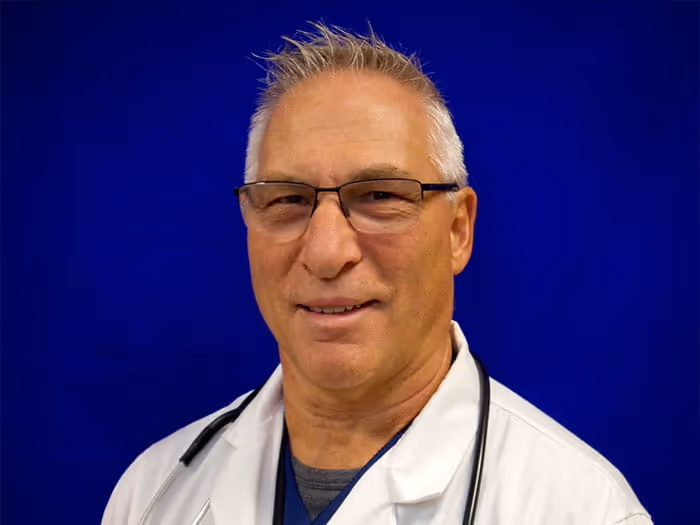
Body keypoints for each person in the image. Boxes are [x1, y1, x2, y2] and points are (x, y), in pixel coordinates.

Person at [102, 22, 653, 525]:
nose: (326, 252)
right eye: (288, 199)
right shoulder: (153, 495)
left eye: (380, 196)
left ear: (458, 230)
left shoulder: (582, 509)